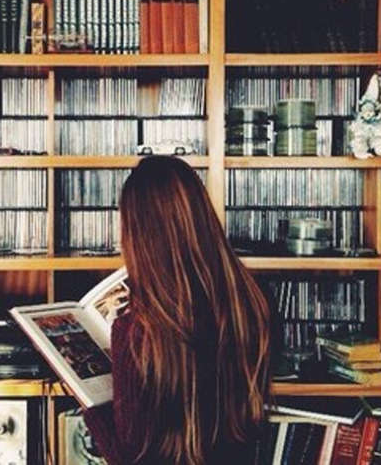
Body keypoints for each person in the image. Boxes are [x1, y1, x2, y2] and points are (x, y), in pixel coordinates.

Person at [83, 156, 272, 465]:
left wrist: (92, 410)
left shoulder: (134, 331)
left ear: (138, 236)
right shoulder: (253, 302)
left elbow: (129, 459)